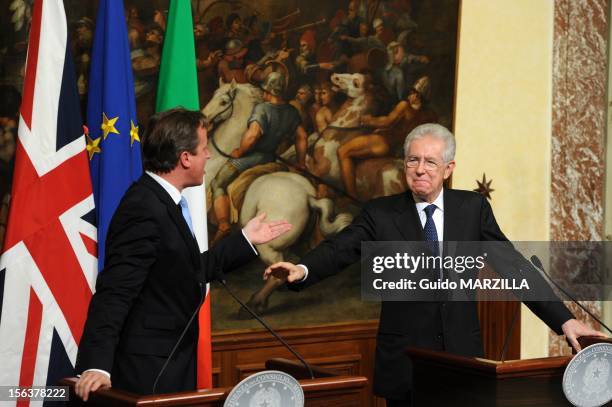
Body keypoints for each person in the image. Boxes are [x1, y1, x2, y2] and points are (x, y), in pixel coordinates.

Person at [263, 123, 605, 406]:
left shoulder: (471, 210)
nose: (420, 169)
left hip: (463, 362)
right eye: (413, 160)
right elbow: (340, 248)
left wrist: (564, 320)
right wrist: (302, 270)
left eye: (430, 161)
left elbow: (513, 266)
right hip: (406, 365)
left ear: (448, 168)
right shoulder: (381, 214)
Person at [74, 108, 292, 399]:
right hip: (147, 371)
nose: (209, 156)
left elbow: (188, 270)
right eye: (204, 149)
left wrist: (245, 239)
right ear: (185, 157)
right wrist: (97, 365)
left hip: (171, 361)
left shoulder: (163, 201)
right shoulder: (144, 207)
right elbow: (116, 290)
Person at [210, 72, 307, 244]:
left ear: (269, 91)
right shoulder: (292, 112)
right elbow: (302, 137)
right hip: (271, 159)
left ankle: (223, 225)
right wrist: (300, 162)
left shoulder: (263, 108)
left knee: (217, 183)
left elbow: (252, 136)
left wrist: (239, 151)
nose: (263, 93)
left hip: (252, 158)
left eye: (264, 90)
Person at [338, 76, 436, 198]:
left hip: (385, 141)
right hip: (398, 149)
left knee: (343, 151)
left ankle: (350, 195)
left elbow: (387, 121)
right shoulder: (430, 115)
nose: (410, 96)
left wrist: (369, 120)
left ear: (417, 96)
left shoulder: (404, 106)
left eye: (413, 93)